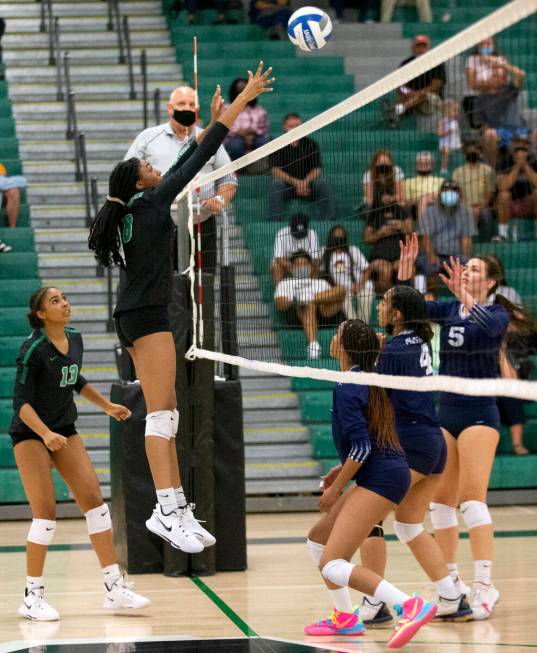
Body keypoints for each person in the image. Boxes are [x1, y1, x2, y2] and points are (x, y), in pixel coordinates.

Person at [88, 63, 275, 552]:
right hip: (146, 314)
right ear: (139, 183)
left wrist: (212, 120)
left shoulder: (127, 213)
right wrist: (241, 101)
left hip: (135, 312)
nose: (155, 169)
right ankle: (166, 509)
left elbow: (195, 152)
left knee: (164, 413)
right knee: (162, 415)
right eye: (149, 169)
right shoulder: (151, 205)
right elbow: (206, 151)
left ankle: (172, 507)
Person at [9, 287, 150, 621]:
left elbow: (75, 380)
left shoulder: (75, 338)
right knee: (45, 515)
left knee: (96, 506)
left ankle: (114, 588)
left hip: (64, 430)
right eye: (55, 301)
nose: (64, 303)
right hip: (31, 433)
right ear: (41, 314)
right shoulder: (33, 349)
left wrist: (107, 406)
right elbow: (20, 404)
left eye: (64, 298)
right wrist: (45, 434)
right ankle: (32, 596)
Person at [398, 234, 514, 621]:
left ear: (492, 281)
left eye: (476, 270)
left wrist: (464, 300)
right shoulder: (450, 310)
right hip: (445, 410)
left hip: (481, 411)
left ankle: (485, 585)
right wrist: (406, 274)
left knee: (472, 500)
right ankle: (451, 585)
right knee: (441, 503)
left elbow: (489, 329)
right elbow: (411, 312)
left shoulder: (497, 314)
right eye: (466, 269)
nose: (467, 273)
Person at [304, 319, 437, 647]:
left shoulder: (349, 385)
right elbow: (367, 440)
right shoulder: (369, 379)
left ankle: (408, 604)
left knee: (332, 564)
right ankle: (345, 618)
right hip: (383, 469)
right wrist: (341, 468)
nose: (332, 338)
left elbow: (362, 447)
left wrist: (336, 489)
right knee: (317, 541)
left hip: (382, 476)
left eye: (337, 334)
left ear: (343, 348)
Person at [357, 286, 472, 625]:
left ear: (396, 316)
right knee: (408, 525)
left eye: (385, 303)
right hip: (432, 441)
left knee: (366, 518)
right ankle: (452, 597)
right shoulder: (419, 341)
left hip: (408, 440)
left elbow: (374, 397)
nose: (378, 307)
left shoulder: (393, 351)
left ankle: (374, 603)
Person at [125, 85, 237, 273]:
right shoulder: (148, 138)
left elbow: (229, 179)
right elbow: (127, 177)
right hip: (158, 226)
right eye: (181, 103)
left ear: (197, 109)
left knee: (203, 287)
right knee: (162, 285)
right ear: (170, 108)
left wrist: (219, 199)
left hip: (201, 225)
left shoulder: (211, 138)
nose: (187, 108)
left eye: (192, 104)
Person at [274, 250, 346, 360]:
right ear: (292, 267)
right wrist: (296, 299)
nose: (302, 267)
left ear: (311, 266)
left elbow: (333, 297)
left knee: (341, 290)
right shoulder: (285, 283)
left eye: (304, 264)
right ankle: (313, 346)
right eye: (298, 265)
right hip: (297, 315)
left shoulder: (320, 282)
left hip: (323, 314)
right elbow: (280, 304)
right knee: (307, 304)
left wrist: (312, 299)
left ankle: (310, 300)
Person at [268, 113, 335, 221]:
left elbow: (317, 170)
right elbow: (275, 171)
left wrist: (305, 182)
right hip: (287, 187)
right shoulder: (277, 145)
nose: (295, 129)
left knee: (322, 183)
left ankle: (329, 220)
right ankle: (274, 221)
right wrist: (296, 182)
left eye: (297, 126)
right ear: (285, 127)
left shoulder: (312, 145)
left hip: (308, 186)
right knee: (276, 184)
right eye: (291, 126)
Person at [478, 59, 536, 169]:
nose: (496, 78)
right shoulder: (481, 98)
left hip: (518, 130)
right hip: (498, 132)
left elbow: (521, 74)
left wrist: (502, 65)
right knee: (489, 134)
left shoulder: (509, 90)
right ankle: (493, 170)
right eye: (494, 75)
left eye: (500, 76)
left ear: (504, 79)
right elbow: (481, 124)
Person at [417, 179, 476, 277]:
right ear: (440, 193)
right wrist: (432, 257)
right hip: (435, 254)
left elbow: (466, 239)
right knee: (430, 269)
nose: (450, 193)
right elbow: (425, 237)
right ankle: (430, 292)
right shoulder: (430, 211)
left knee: (467, 265)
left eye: (453, 190)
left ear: (459, 193)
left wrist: (466, 260)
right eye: (446, 190)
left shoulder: (465, 212)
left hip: (456, 256)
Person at [320, 224, 373, 322]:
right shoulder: (324, 252)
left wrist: (360, 285)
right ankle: (355, 326)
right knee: (344, 297)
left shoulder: (353, 250)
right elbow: (321, 273)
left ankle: (365, 326)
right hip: (339, 289)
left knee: (366, 297)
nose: (338, 239)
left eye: (341, 236)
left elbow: (367, 269)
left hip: (358, 286)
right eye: (336, 237)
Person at [390, 35, 445, 125]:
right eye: (418, 45)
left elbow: (436, 85)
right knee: (410, 96)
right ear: (413, 47)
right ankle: (399, 111)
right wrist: (409, 92)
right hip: (411, 97)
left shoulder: (436, 62)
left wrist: (419, 93)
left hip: (430, 99)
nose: (421, 48)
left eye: (423, 45)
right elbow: (401, 87)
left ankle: (399, 109)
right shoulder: (406, 63)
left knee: (425, 95)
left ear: (427, 47)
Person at [364, 203, 413, 295]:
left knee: (406, 267)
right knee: (385, 271)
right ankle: (387, 299)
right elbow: (367, 239)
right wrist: (380, 232)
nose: (387, 198)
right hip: (379, 257)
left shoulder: (402, 211)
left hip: (400, 256)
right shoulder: (374, 213)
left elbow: (411, 235)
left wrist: (402, 227)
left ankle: (404, 299)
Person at [495, 138, 537, 242]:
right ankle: (503, 235)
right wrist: (517, 166)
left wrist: (525, 166)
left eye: (524, 149)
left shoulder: (535, 161)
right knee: (503, 195)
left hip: (530, 204)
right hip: (509, 205)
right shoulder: (504, 161)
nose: (520, 152)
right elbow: (503, 186)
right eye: (517, 148)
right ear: (512, 148)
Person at [452, 141, 495, 240]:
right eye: (469, 149)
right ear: (464, 153)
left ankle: (486, 242)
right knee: (463, 212)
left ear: (480, 152)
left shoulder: (488, 171)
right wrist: (468, 207)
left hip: (483, 206)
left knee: (486, 213)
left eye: (476, 149)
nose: (473, 152)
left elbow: (489, 193)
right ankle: (466, 240)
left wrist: (479, 206)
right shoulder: (457, 172)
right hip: (463, 205)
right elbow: (457, 193)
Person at [224, 78, 270, 161]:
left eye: (245, 90)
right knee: (236, 146)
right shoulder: (226, 109)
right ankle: (237, 171)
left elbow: (264, 130)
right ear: (234, 92)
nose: (243, 93)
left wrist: (251, 134)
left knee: (264, 143)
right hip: (233, 139)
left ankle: (260, 169)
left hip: (255, 138)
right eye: (239, 90)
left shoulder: (260, 110)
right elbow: (223, 129)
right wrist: (240, 133)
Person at [270, 212, 321, 285]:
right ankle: (280, 291)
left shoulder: (312, 234)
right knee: (276, 266)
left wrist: (301, 265)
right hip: (286, 263)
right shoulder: (281, 233)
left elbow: (315, 258)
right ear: (290, 226)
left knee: (316, 264)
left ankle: (311, 290)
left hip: (305, 263)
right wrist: (291, 266)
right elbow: (279, 258)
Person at [404, 151, 445, 220]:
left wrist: (431, 197)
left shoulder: (441, 180)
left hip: (437, 206)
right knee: (424, 200)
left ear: (432, 165)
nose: (423, 164)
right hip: (415, 209)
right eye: (421, 163)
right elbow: (405, 203)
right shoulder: (408, 182)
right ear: (416, 164)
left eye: (426, 163)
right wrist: (423, 198)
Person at [438, 100, 461, 175]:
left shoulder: (456, 122)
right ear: (446, 112)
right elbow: (439, 133)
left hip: (455, 143)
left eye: (457, 111)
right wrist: (449, 130)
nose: (457, 113)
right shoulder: (442, 122)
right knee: (446, 150)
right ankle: (443, 168)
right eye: (454, 110)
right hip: (445, 143)